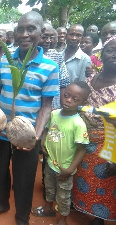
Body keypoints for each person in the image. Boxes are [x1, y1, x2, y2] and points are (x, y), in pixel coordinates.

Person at [0, 11, 59, 225]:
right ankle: (2, 204)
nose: (25, 34)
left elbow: (46, 107)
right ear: (15, 32)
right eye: (20, 29)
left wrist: (36, 138)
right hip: (1, 131)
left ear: (41, 32)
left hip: (27, 136)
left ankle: (22, 217)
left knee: (24, 180)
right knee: (0, 173)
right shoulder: (5, 59)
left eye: (31, 29)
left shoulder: (50, 67)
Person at [31, 81, 91, 225]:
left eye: (75, 99)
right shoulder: (54, 113)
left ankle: (63, 219)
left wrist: (70, 169)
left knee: (63, 196)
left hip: (64, 168)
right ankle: (48, 208)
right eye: (66, 95)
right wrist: (43, 141)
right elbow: (46, 127)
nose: (68, 100)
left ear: (83, 102)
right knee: (49, 188)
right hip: (50, 162)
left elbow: (82, 149)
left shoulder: (78, 124)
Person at [72, 36, 116, 225]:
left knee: (105, 185)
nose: (114, 55)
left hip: (109, 145)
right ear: (102, 54)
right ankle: (83, 208)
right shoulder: (89, 81)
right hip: (83, 142)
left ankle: (99, 219)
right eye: (110, 50)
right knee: (83, 180)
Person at [38, 23, 70, 109]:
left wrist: (61, 107)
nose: (48, 41)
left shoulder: (57, 57)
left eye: (51, 37)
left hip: (52, 107)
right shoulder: (27, 56)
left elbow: (64, 83)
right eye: (44, 37)